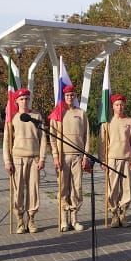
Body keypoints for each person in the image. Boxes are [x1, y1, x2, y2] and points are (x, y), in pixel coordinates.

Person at [3, 89, 48, 234]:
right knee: (18, 191)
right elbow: (7, 141)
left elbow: (43, 139)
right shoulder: (13, 117)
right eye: (21, 99)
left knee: (33, 190)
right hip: (18, 159)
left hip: (34, 158)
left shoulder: (36, 116)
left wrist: (42, 158)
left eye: (27, 98)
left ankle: (32, 219)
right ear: (16, 101)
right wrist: (7, 161)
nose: (25, 101)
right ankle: (20, 220)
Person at [52, 85, 91, 232]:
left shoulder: (81, 113)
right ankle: (63, 220)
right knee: (63, 188)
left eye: (72, 95)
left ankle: (75, 219)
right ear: (64, 96)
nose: (70, 97)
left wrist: (86, 156)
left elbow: (87, 136)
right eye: (67, 95)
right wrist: (56, 156)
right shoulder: (57, 114)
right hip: (63, 157)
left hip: (77, 156)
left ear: (75, 96)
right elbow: (52, 138)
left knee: (77, 188)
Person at [102, 94, 131, 227]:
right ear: (113, 106)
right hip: (112, 159)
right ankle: (114, 214)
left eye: (121, 104)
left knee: (126, 189)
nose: (120, 107)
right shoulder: (107, 123)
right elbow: (103, 143)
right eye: (117, 105)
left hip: (126, 159)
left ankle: (123, 214)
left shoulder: (130, 121)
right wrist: (103, 160)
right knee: (113, 188)